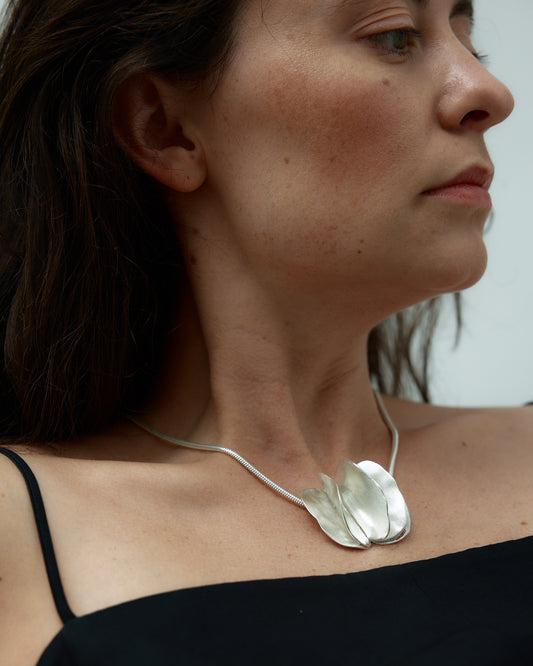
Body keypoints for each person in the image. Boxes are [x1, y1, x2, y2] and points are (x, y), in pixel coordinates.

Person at [0, 0, 531, 664]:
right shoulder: (21, 535)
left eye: (466, 38)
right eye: (395, 36)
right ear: (164, 129)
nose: (488, 91)